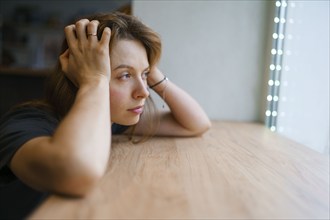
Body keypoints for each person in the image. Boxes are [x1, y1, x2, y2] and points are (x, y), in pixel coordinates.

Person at [0, 12, 211, 219]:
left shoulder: (112, 119)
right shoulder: (26, 123)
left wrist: (148, 70)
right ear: (79, 73)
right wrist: (94, 81)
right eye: (125, 75)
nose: (144, 91)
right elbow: (74, 174)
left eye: (145, 75)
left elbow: (196, 124)